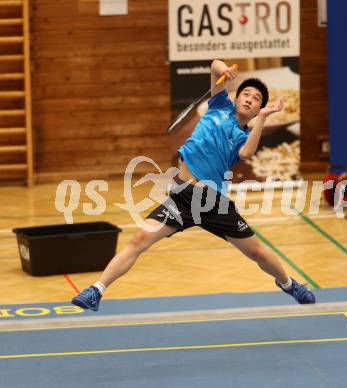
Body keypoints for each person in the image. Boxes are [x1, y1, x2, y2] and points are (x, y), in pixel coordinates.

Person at [72, 59, 315, 311]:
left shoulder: (244, 135)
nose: (250, 99)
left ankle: (289, 284)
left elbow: (245, 153)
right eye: (246, 93)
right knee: (140, 240)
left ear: (256, 110)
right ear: (235, 97)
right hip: (182, 196)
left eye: (256, 99)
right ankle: (96, 290)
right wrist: (224, 71)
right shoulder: (219, 105)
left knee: (258, 253)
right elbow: (214, 65)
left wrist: (262, 120)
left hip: (213, 203)